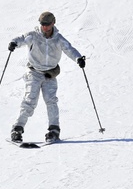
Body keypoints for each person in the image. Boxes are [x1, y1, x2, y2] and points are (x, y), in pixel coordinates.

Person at [8, 11, 85, 143]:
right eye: (43, 24)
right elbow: (21, 38)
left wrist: (78, 58)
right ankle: (17, 129)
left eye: (47, 24)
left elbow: (69, 49)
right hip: (34, 72)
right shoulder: (33, 35)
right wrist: (14, 43)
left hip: (50, 74)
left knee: (51, 101)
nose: (45, 27)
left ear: (53, 23)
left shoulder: (58, 39)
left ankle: (54, 130)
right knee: (30, 100)